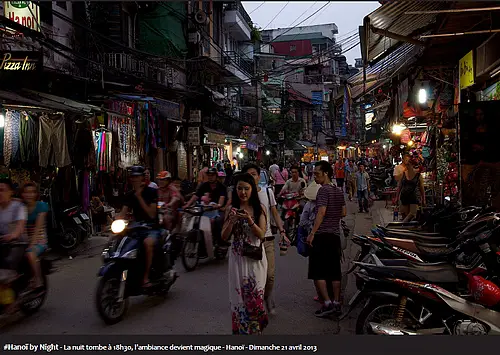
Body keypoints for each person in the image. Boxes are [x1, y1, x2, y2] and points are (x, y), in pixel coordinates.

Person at [221, 173, 268, 335]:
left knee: (254, 297)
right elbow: (224, 236)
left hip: (255, 259)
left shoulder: (259, 208)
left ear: (252, 190)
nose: (243, 192)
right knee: (238, 298)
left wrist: (250, 220)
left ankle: (256, 332)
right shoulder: (231, 209)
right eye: (239, 188)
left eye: (246, 188)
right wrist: (232, 221)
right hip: (237, 259)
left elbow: (262, 235)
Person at [242, 164, 289, 315]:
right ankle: (256, 302)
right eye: (248, 175)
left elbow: (275, 213)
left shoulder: (268, 192)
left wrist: (282, 231)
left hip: (267, 239)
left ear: (258, 176)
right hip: (250, 241)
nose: (252, 177)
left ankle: (267, 297)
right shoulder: (242, 195)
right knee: (252, 276)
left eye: (254, 174)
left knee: (270, 275)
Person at [306, 161, 346, 317]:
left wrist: (312, 233)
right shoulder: (338, 190)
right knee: (334, 271)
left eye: (317, 173)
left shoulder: (323, 191)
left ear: (326, 174)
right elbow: (343, 212)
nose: (315, 176)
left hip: (322, 235)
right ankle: (336, 303)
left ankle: (327, 303)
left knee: (318, 272)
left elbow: (321, 212)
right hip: (334, 235)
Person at [117, 166, 159, 288]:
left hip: (151, 227)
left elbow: (151, 214)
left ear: (142, 178)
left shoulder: (151, 192)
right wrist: (115, 222)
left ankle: (145, 277)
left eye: (137, 177)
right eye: (133, 177)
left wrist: (139, 197)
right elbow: (123, 212)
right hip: (136, 227)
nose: (134, 179)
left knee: (148, 243)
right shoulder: (129, 195)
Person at [0, 178, 28, 313]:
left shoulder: (18, 206)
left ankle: (13, 300)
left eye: (2, 190)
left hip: (18, 243)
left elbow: (20, 225)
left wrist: (13, 235)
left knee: (7, 266)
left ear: (11, 192)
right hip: (2, 243)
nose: (0, 193)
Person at [184, 167, 227, 246]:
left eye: (212, 175)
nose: (210, 177)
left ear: (216, 176)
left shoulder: (222, 187)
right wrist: (187, 205)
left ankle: (219, 242)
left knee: (217, 221)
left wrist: (217, 205)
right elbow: (196, 196)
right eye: (209, 175)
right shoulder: (204, 185)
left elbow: (221, 200)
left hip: (218, 210)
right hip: (204, 209)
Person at [20, 182, 48, 290]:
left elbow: (38, 228)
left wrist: (31, 244)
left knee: (30, 253)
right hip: (25, 239)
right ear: (22, 194)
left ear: (36, 194)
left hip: (40, 240)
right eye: (26, 192)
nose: (29, 195)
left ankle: (38, 279)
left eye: (32, 192)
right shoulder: (21, 207)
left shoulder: (41, 206)